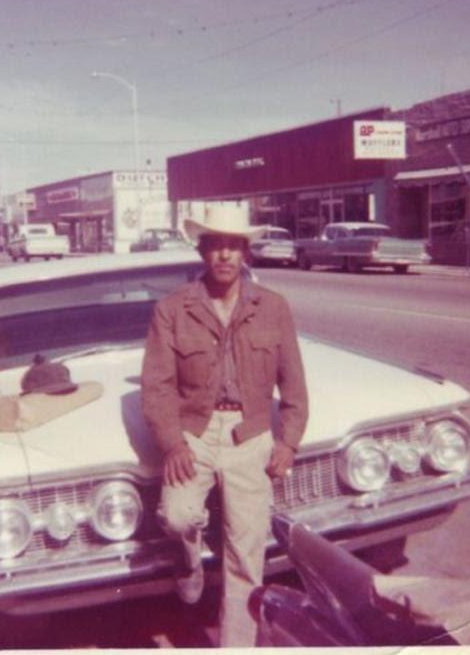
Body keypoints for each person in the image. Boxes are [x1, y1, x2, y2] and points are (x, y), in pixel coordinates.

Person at [141, 206, 308, 647]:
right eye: (215, 245)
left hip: (249, 433)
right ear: (201, 251)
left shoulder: (272, 307)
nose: (224, 255)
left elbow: (294, 383)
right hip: (193, 430)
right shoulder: (173, 309)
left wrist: (288, 441)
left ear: (245, 252)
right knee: (177, 517)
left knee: (245, 553)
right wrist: (173, 444)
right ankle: (188, 562)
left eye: (233, 246)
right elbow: (156, 387)